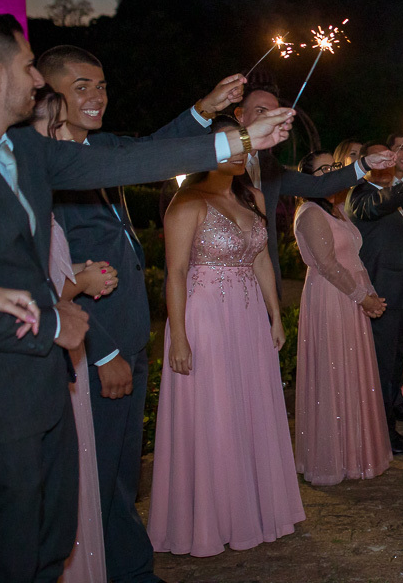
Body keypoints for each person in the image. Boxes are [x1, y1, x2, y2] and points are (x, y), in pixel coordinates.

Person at [0, 13, 294, 581]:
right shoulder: (31, 154)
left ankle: (124, 566)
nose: (34, 80)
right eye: (31, 69)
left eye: (102, 85)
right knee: (24, 528)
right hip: (32, 367)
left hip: (84, 349)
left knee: (78, 505)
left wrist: (232, 133)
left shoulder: (35, 156)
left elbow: (139, 156)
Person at [39, 43, 247, 583]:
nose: (97, 95)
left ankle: (122, 566)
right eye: (81, 85)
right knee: (100, 471)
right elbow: (52, 280)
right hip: (93, 343)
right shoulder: (46, 171)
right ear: (49, 92)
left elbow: (154, 150)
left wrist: (204, 108)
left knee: (123, 472)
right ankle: (127, 572)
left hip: (131, 332)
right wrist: (103, 349)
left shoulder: (103, 147)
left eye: (102, 84)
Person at [148, 118, 306, 556]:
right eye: (233, 145)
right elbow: (175, 273)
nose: (243, 153)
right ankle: (211, 519)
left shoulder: (251, 195)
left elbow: (260, 261)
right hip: (205, 317)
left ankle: (252, 509)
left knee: (250, 404)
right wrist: (178, 337)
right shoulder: (186, 203)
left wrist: (275, 315)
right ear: (206, 148)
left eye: (246, 146)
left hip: (249, 314)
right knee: (214, 410)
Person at [33, 87, 114, 583]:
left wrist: (78, 272)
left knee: (73, 483)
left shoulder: (43, 197)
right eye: (53, 128)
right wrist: (79, 282)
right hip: (50, 355)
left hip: (69, 353)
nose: (61, 140)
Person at [232, 84, 395, 296]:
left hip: (264, 278)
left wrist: (365, 164)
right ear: (240, 115)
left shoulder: (269, 165)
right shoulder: (217, 160)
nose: (267, 120)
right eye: (260, 111)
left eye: (273, 114)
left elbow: (319, 185)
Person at [292, 150, 393, 487]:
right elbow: (328, 265)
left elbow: (353, 260)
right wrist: (361, 297)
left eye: (335, 167)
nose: (333, 173)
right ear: (307, 179)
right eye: (324, 169)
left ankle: (356, 454)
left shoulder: (335, 209)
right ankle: (331, 458)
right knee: (333, 373)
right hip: (332, 299)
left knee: (353, 372)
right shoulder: (309, 212)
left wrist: (370, 295)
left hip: (351, 296)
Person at [345, 139, 403, 454]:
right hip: (385, 294)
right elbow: (377, 205)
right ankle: (383, 436)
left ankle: (390, 429)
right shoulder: (360, 195)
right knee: (383, 368)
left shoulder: (394, 198)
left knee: (395, 364)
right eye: (381, 158)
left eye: (390, 158)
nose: (387, 163)